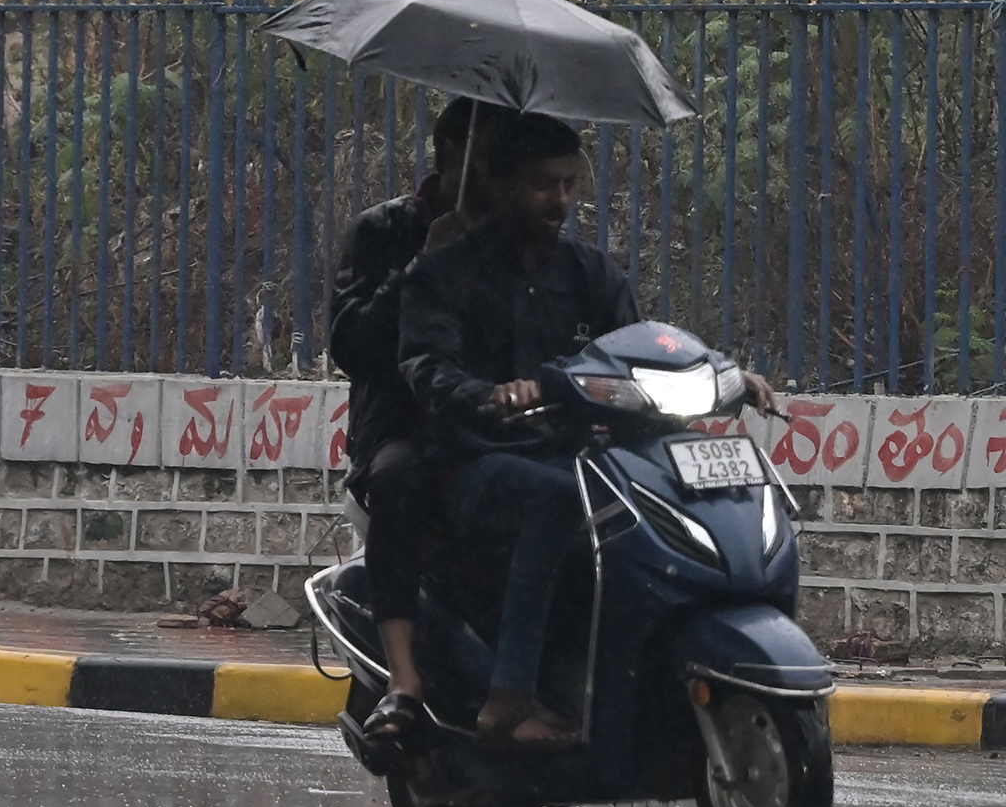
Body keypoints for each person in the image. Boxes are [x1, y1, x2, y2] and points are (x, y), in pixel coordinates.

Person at [399, 113, 778, 749]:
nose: (561, 200)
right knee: (556, 498)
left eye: (570, 184)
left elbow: (641, 352)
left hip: (584, 457)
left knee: (657, 497)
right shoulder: (446, 273)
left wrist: (726, 374)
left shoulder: (592, 275)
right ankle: (511, 695)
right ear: (502, 184)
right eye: (544, 185)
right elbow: (424, 366)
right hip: (477, 461)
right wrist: (488, 395)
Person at [330, 96, 510, 738]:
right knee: (404, 478)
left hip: (498, 428)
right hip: (403, 427)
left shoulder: (525, 244)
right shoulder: (384, 232)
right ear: (448, 157)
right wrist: (423, 261)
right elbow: (351, 344)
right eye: (481, 162)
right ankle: (404, 679)